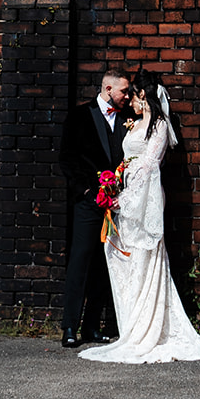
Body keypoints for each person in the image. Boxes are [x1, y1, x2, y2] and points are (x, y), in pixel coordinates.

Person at [79, 70, 200, 364]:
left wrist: (126, 197)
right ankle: (132, 325)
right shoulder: (133, 125)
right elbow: (128, 161)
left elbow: (148, 165)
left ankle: (149, 329)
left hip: (142, 202)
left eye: (133, 94)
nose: (129, 100)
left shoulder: (158, 125)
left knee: (146, 260)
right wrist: (115, 185)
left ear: (143, 95)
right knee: (124, 259)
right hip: (125, 200)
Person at [58, 67, 132, 347]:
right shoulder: (79, 116)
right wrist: (87, 191)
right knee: (81, 261)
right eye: (123, 91)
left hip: (117, 205)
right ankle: (69, 327)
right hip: (89, 204)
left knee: (105, 264)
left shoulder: (127, 119)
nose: (127, 96)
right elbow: (67, 159)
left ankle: (91, 327)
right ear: (108, 89)